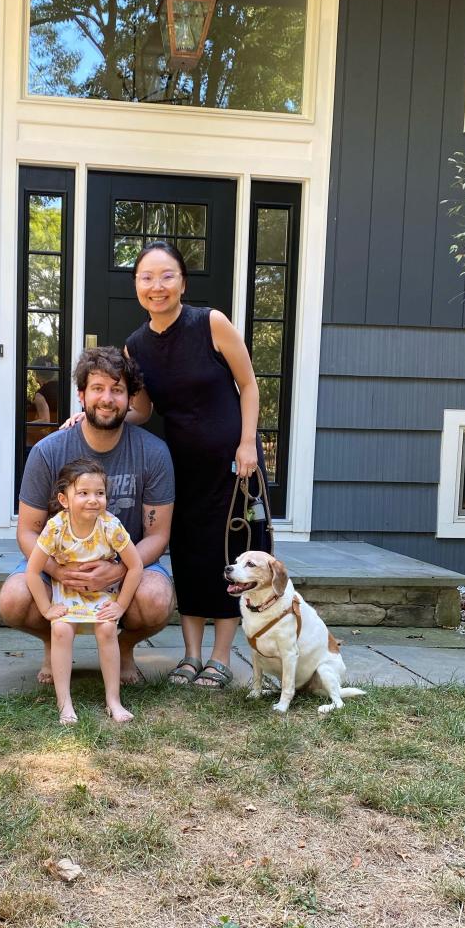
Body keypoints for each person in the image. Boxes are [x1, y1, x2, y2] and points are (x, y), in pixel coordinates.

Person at [123, 240, 270, 690]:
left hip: (234, 464)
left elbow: (248, 385)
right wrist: (96, 412)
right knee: (188, 555)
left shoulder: (212, 324)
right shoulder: (135, 347)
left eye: (167, 275)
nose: (157, 286)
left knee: (230, 554)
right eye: (147, 278)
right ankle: (190, 656)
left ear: (182, 282)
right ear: (137, 286)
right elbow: (143, 411)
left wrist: (247, 443)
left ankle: (221, 657)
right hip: (180, 466)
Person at [0, 345, 175, 685]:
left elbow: (158, 535)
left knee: (156, 598)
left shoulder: (152, 453)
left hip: (125, 561)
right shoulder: (49, 451)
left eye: (117, 389)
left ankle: (123, 648)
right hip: (59, 560)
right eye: (97, 388)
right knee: (13, 598)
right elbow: (27, 532)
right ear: (81, 395)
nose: (106, 399)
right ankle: (54, 640)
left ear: (130, 398)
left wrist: (117, 569)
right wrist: (57, 570)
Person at [25, 457, 144, 725]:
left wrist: (121, 606)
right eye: (84, 493)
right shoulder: (56, 527)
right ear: (64, 500)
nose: (93, 500)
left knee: (106, 628)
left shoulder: (110, 526)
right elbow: (32, 572)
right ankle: (64, 703)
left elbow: (135, 566)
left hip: (101, 591)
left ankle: (113, 700)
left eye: (99, 493)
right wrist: (46, 608)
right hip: (67, 590)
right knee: (61, 629)